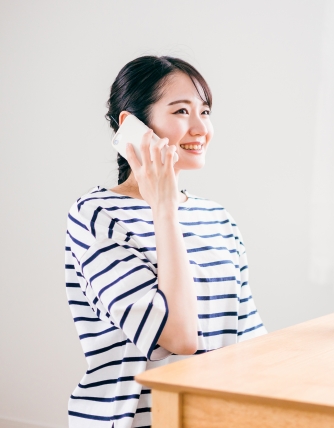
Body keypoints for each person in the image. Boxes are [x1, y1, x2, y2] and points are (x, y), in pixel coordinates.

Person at [64, 56, 267, 427]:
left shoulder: (217, 218)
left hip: (212, 418)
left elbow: (250, 342)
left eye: (205, 112)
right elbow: (179, 338)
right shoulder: (97, 214)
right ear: (132, 126)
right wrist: (164, 207)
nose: (199, 128)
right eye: (181, 111)